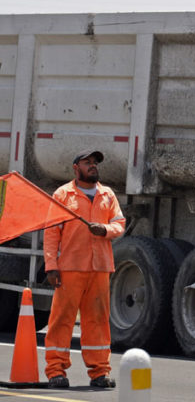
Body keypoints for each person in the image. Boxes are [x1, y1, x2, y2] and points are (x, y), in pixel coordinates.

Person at [43, 149, 125, 389]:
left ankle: (99, 372)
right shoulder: (63, 194)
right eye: (87, 163)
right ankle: (56, 371)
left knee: (98, 321)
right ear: (75, 168)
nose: (92, 166)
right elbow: (51, 233)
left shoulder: (107, 195)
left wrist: (105, 230)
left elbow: (119, 223)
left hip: (99, 269)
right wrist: (51, 266)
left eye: (95, 163)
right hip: (70, 268)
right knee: (61, 321)